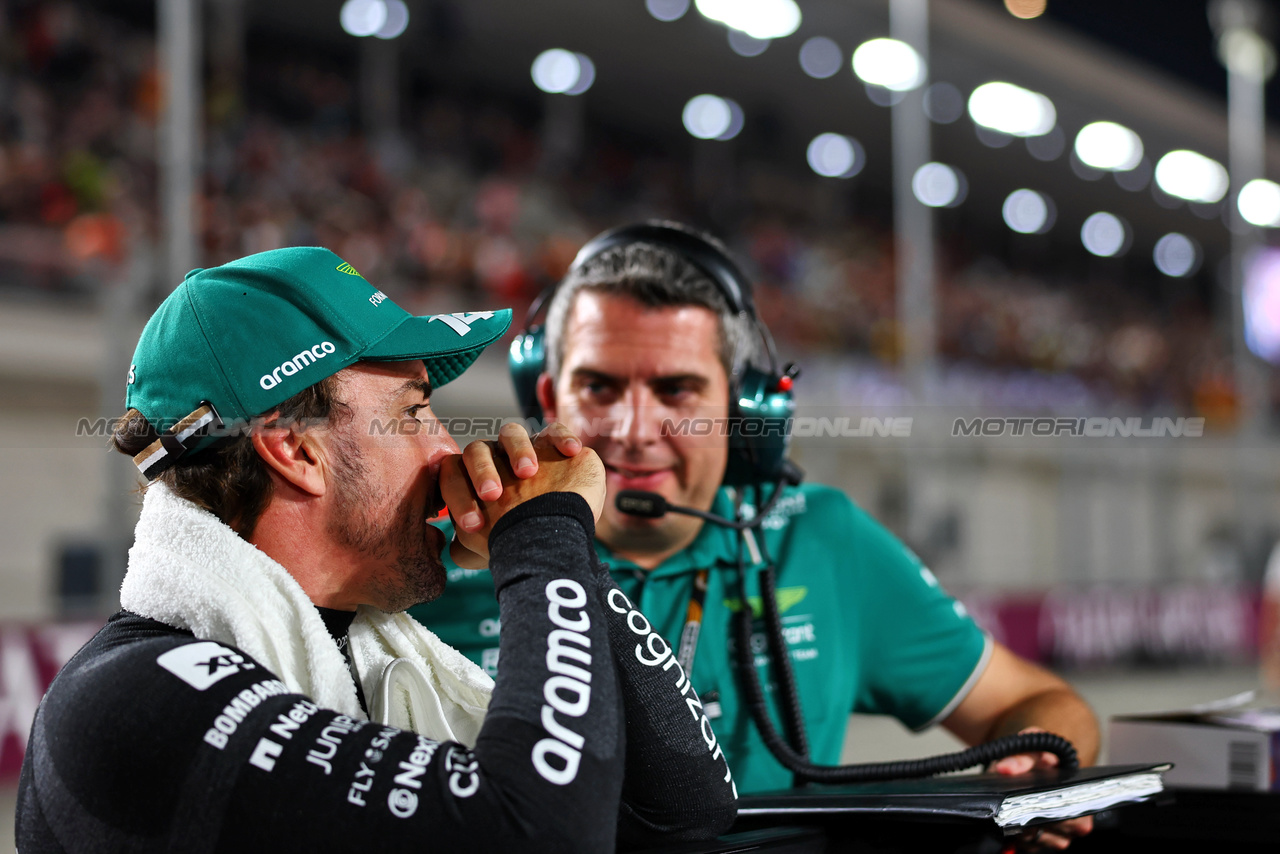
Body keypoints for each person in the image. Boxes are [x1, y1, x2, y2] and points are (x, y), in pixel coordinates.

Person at [16, 246, 737, 853]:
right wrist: (544, 539)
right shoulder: (129, 702)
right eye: (414, 412)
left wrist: (564, 554)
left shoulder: (358, 650)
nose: (448, 448)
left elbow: (686, 810)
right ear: (294, 447)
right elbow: (541, 836)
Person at [411, 222, 1101, 850]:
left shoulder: (822, 540)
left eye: (677, 391)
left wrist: (1041, 766)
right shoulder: (446, 547)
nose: (633, 430)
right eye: (599, 388)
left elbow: (1038, 704)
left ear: (743, 413)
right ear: (549, 397)